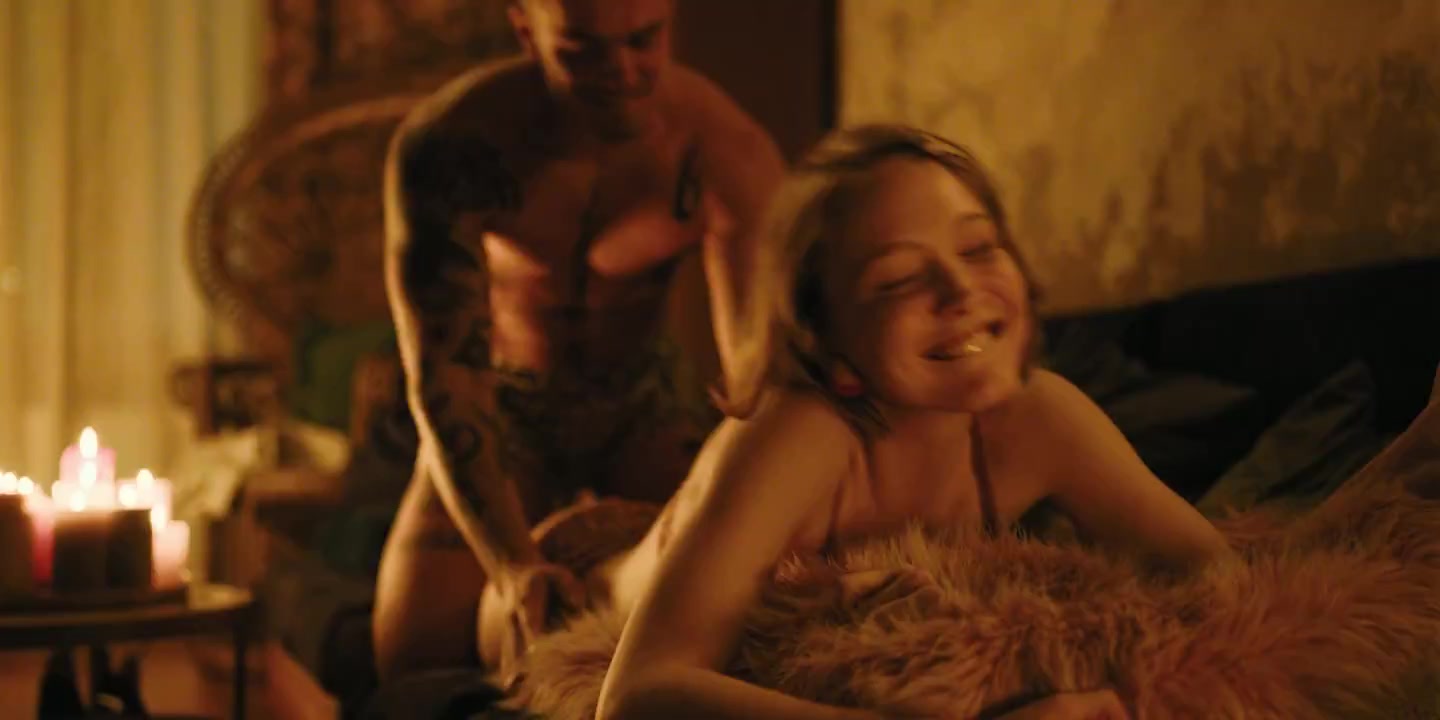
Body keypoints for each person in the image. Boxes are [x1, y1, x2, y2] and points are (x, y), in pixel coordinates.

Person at [590, 125, 1233, 720]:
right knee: (563, 590)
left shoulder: (1041, 414)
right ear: (825, 340)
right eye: (897, 280)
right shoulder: (804, 430)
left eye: (979, 248)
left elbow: (1215, 576)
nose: (961, 290)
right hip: (609, 580)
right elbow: (636, 694)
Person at [373, 0, 785, 680]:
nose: (620, 70)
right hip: (504, 409)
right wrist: (511, 565)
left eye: (643, 40)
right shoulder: (453, 146)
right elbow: (449, 378)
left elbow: (758, 382)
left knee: (733, 623)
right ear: (525, 30)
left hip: (642, 404)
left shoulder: (723, 150)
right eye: (582, 50)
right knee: (409, 662)